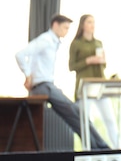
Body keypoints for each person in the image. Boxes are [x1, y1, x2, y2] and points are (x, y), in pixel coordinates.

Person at [15, 14, 110, 150]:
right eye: (65, 27)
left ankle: (97, 146)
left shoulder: (53, 42)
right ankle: (101, 147)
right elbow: (20, 54)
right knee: (75, 111)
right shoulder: (46, 40)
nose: (66, 31)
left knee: (76, 114)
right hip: (43, 86)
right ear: (55, 25)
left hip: (47, 85)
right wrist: (28, 75)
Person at [69, 14, 119, 149]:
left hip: (100, 85)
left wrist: (102, 61)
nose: (92, 25)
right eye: (89, 22)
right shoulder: (76, 44)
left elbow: (103, 65)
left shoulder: (98, 43)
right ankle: (87, 149)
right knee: (85, 121)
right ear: (83, 25)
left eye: (93, 22)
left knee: (110, 119)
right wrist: (88, 61)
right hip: (85, 86)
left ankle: (118, 148)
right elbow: (71, 66)